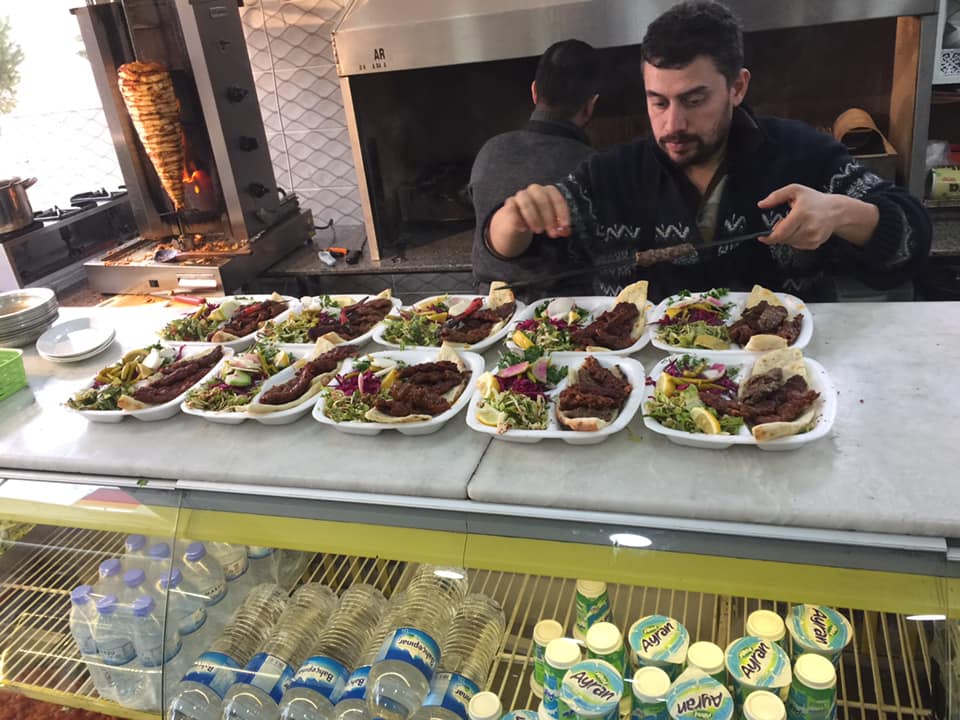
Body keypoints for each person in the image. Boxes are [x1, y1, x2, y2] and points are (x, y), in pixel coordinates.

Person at [481, 1, 931, 301]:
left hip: (787, 385)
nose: (672, 124)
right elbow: (514, 251)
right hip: (648, 395)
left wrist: (840, 214)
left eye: (694, 100)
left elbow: (911, 240)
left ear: (737, 87)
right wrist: (512, 220)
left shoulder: (801, 154)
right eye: (658, 102)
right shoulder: (610, 175)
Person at [470, 39, 601, 296]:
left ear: (534, 92)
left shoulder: (489, 150)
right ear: (590, 106)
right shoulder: (591, 166)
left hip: (486, 306)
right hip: (563, 312)